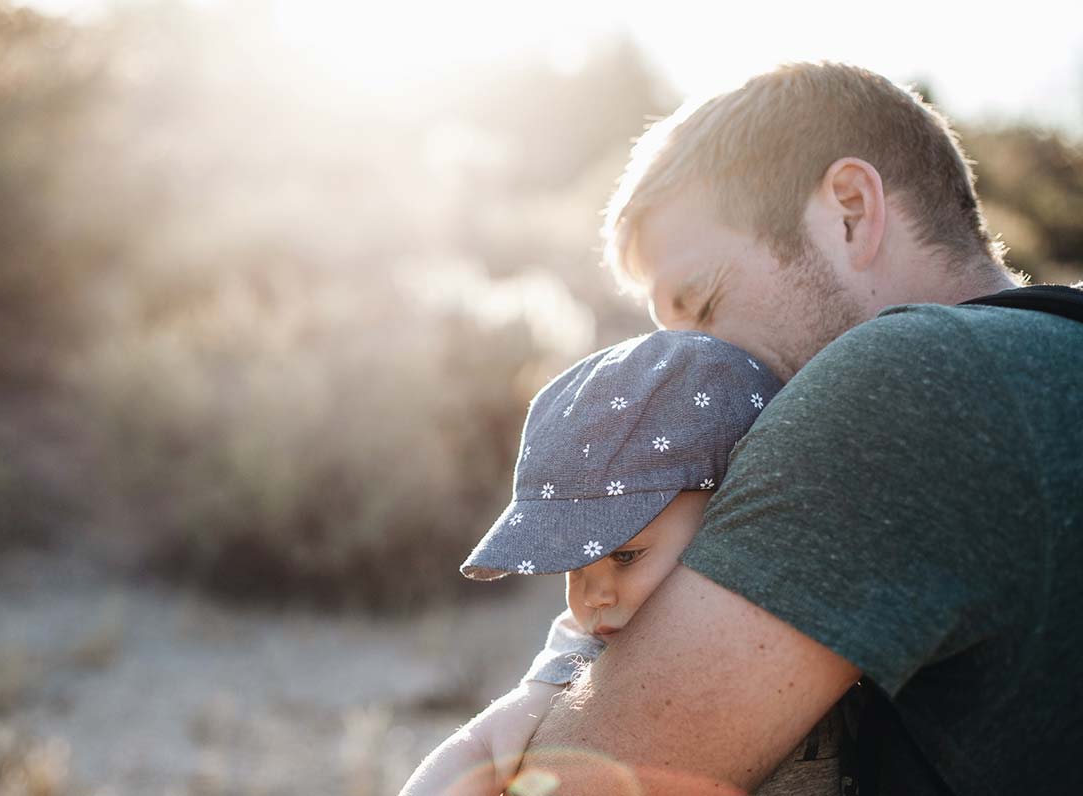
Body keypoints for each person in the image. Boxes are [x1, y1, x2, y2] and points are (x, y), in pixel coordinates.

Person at [509, 61, 1083, 795]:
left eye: (703, 303)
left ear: (849, 209)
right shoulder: (1050, 356)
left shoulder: (900, 382)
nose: (688, 366)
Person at [399, 330, 848, 796]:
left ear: (730, 513)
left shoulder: (812, 591)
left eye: (625, 555)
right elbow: (479, 746)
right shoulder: (589, 651)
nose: (593, 596)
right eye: (574, 566)